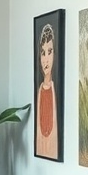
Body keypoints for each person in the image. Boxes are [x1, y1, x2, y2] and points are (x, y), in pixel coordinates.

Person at [36, 23, 58, 159]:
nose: (46, 59)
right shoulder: (39, 92)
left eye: (50, 52)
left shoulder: (55, 91)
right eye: (43, 53)